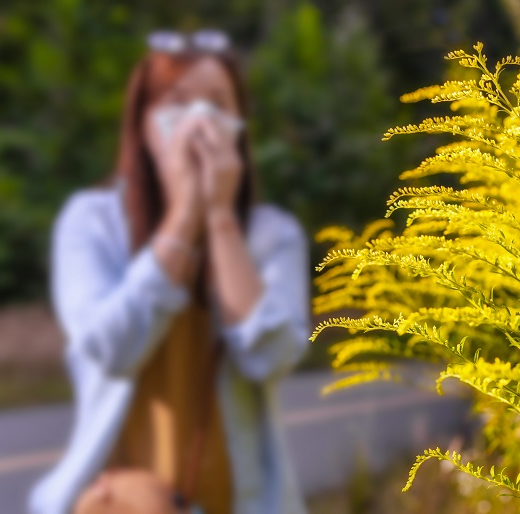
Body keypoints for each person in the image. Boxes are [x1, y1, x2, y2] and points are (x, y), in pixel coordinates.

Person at [28, 30, 310, 514]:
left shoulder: (272, 234)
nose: (200, 121)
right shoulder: (91, 222)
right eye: (179, 103)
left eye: (218, 103)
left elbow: (272, 356)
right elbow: (109, 349)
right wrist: (183, 217)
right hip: (121, 501)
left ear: (239, 125)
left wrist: (219, 217)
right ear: (143, 123)